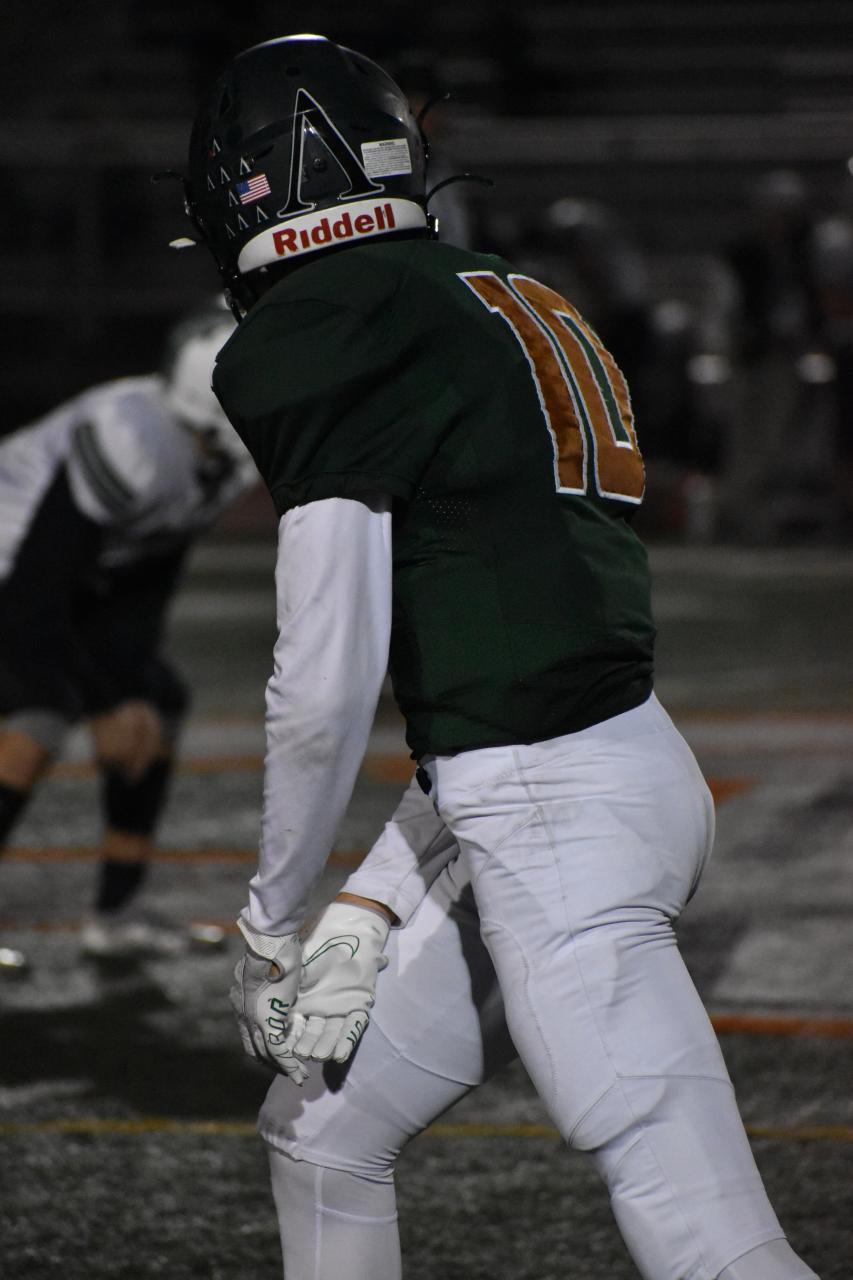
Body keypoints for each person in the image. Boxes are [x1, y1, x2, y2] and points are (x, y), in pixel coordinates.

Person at [180, 35, 820, 1280]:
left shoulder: (333, 318)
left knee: (717, 1251)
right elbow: (507, 681)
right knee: (320, 1130)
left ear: (267, 183)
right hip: (590, 774)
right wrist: (370, 902)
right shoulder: (500, 291)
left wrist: (269, 919)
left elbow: (324, 679)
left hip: (551, 823)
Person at [0, 304, 257, 973]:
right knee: (36, 713)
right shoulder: (132, 436)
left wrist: (128, 688)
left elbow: (145, 582)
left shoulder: (219, 455)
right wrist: (106, 699)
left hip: (59, 582)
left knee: (158, 702)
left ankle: (115, 916)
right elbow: (35, 591)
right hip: (16, 574)